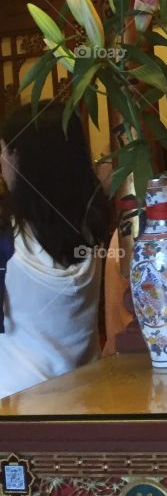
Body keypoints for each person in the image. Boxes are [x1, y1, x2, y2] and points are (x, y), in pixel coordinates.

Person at [0, 103, 112, 399]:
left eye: (3, 151)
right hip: (86, 397)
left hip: (14, 407)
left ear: (17, 157)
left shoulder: (8, 240)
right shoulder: (94, 227)